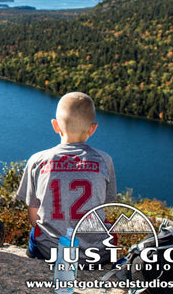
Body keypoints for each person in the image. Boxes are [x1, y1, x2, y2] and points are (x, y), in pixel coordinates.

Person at [16, 92, 117, 262]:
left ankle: (32, 260)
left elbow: (34, 217)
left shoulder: (37, 161)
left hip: (50, 251)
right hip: (95, 254)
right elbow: (105, 205)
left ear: (55, 126)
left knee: (36, 232)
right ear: (93, 128)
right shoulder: (105, 161)